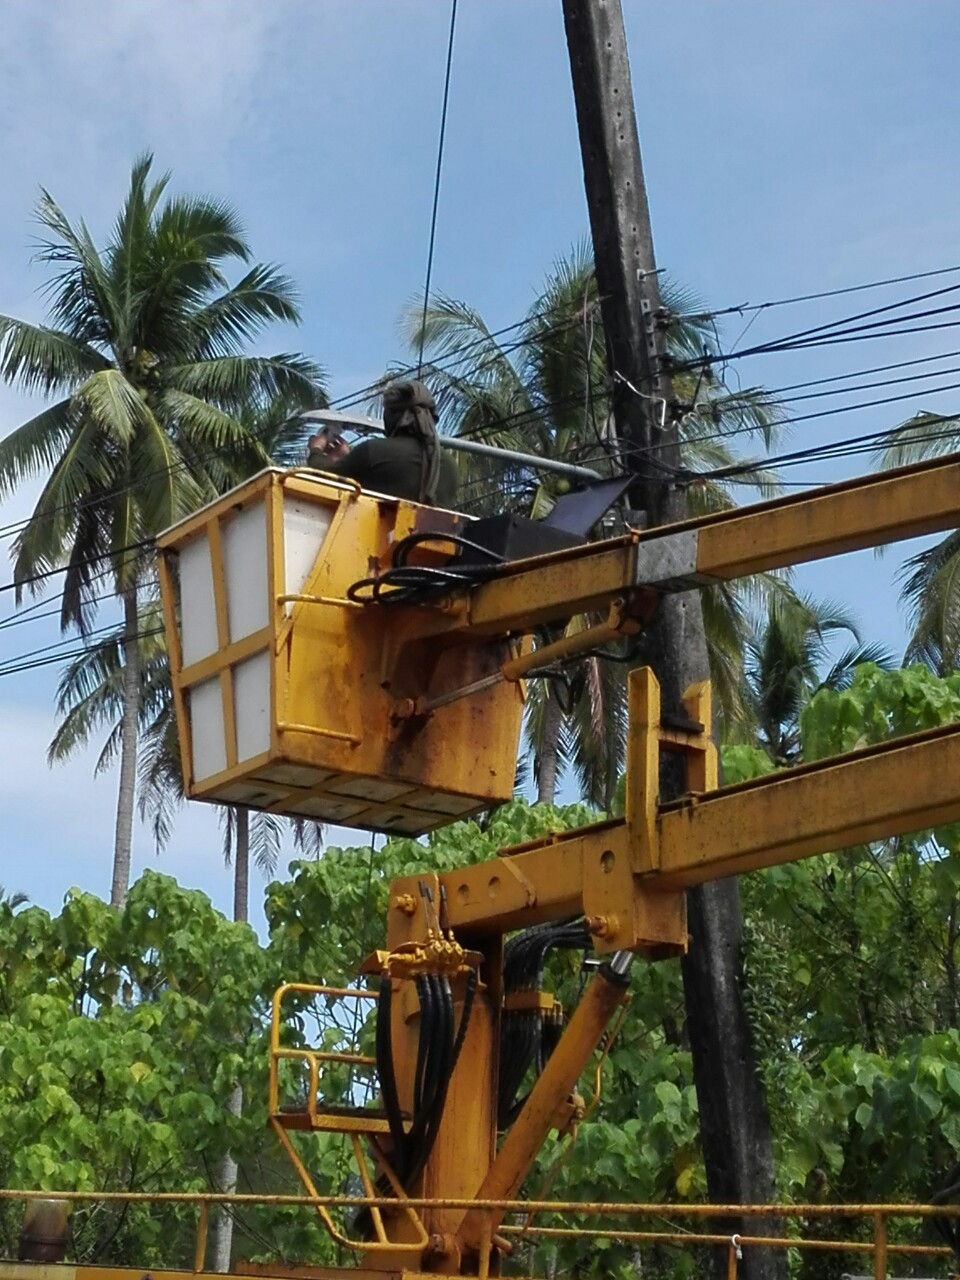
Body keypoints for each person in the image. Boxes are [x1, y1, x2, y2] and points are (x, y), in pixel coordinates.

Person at [306, 379, 458, 508]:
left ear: (391, 416)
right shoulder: (449, 465)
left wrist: (316, 449)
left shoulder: (373, 451)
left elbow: (322, 475)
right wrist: (346, 458)